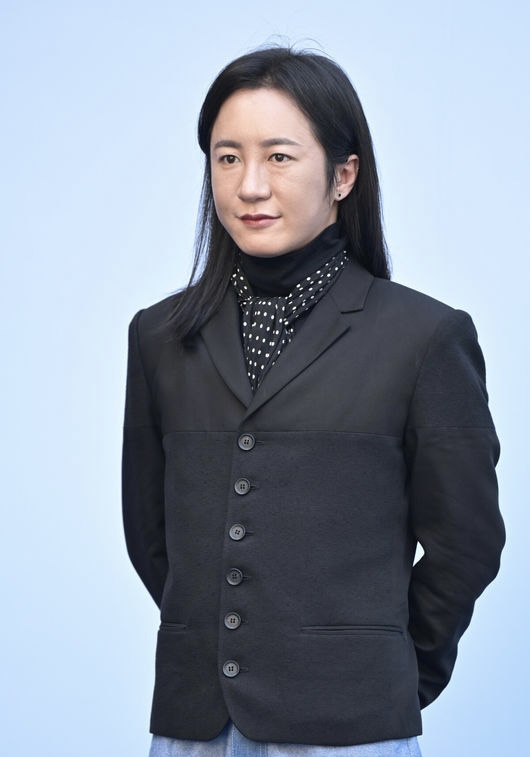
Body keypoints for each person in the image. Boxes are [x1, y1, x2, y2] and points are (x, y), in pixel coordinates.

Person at [122, 46, 505, 757]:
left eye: (279, 156)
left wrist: (386, 672)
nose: (250, 185)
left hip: (349, 725)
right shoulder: (159, 335)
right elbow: (151, 535)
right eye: (228, 158)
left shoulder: (423, 337)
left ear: (343, 175)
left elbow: (467, 542)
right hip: (193, 723)